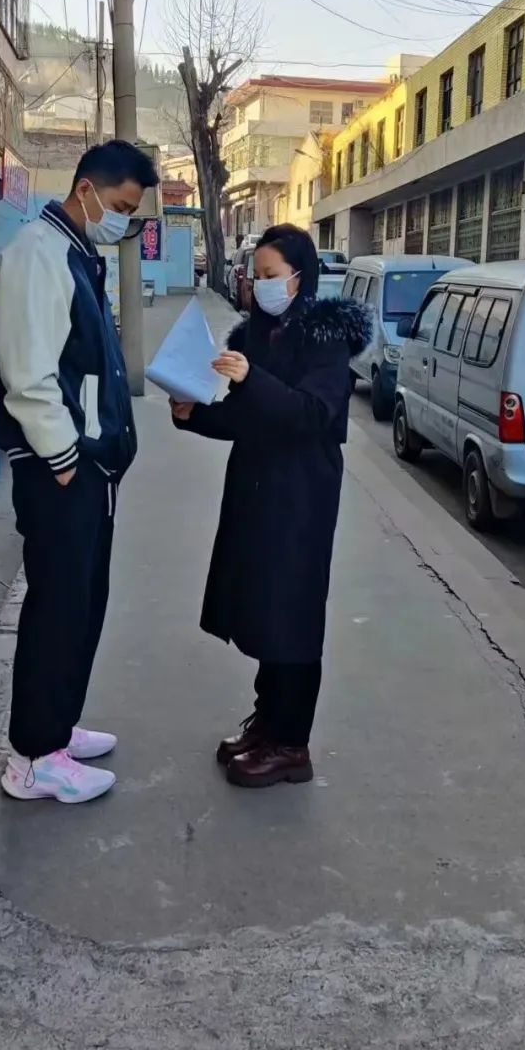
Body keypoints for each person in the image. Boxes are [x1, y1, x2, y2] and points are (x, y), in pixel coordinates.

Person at [171, 224, 370, 788]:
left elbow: (315, 414)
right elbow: (246, 417)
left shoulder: (325, 339)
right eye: (256, 276)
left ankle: (291, 744)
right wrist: (195, 415)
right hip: (256, 488)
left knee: (294, 613)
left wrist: (252, 378)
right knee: (263, 607)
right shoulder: (256, 336)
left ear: (299, 278)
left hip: (302, 494)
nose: (260, 285)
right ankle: (267, 723)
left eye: (271, 275)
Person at [0, 140, 159, 804]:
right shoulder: (39, 253)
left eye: (132, 212)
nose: (123, 220)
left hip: (89, 465)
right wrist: (63, 459)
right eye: (121, 206)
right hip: (62, 468)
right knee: (58, 608)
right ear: (86, 188)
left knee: (82, 602)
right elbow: (28, 373)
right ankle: (34, 758)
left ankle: (56, 728)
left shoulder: (74, 250)